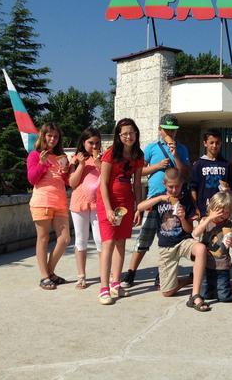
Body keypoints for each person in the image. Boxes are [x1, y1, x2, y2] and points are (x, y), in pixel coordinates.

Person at [122, 114, 190, 289]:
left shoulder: (182, 149)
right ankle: (131, 272)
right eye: (167, 130)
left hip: (173, 199)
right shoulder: (152, 148)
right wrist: (157, 166)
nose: (170, 133)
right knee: (144, 237)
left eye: (173, 131)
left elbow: (185, 173)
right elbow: (139, 172)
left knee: (171, 237)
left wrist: (176, 155)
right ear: (160, 130)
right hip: (154, 198)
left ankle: (164, 274)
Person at [136, 168, 210, 311]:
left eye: (177, 186)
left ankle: (195, 294)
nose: (174, 190)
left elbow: (189, 230)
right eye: (171, 187)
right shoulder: (159, 197)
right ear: (164, 184)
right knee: (167, 292)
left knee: (201, 248)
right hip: (166, 246)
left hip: (183, 241)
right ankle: (189, 279)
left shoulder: (186, 199)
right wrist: (160, 198)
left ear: (182, 184)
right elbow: (140, 206)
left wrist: (182, 218)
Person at [96, 118, 144, 305]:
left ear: (136, 133)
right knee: (108, 242)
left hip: (126, 203)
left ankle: (116, 283)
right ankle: (104, 288)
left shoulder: (138, 155)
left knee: (121, 242)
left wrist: (138, 207)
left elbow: (137, 184)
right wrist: (108, 208)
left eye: (131, 133)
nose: (128, 136)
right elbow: (103, 183)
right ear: (118, 135)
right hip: (108, 202)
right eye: (124, 134)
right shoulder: (111, 154)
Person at [26, 123, 71, 290]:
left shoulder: (61, 156)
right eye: (50, 135)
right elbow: (32, 179)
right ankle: (45, 276)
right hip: (42, 201)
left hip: (60, 202)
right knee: (43, 238)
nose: (53, 139)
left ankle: (49, 272)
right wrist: (42, 163)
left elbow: (67, 181)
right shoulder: (35, 155)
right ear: (43, 136)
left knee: (65, 239)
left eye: (56, 136)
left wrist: (66, 171)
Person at [68, 127, 103, 290]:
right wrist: (81, 164)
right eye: (91, 143)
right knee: (81, 239)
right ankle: (81, 276)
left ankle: (105, 273)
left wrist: (98, 162)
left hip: (97, 203)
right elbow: (72, 183)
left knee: (100, 239)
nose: (94, 146)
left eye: (97, 143)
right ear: (83, 142)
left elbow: (107, 178)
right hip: (79, 203)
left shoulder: (103, 158)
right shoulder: (76, 159)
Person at [193, 191, 232, 302]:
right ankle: (216, 288)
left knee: (224, 297)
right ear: (211, 208)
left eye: (226, 212)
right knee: (205, 295)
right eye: (219, 211)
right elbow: (195, 233)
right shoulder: (205, 221)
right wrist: (209, 218)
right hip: (206, 265)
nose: (222, 215)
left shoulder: (229, 225)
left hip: (222, 265)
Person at [190, 130, 232, 219]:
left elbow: (231, 187)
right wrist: (195, 207)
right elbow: (193, 188)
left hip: (222, 209)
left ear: (221, 144)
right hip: (204, 210)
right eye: (211, 143)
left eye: (217, 143)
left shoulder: (227, 165)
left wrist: (227, 190)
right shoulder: (198, 164)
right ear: (205, 143)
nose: (214, 146)